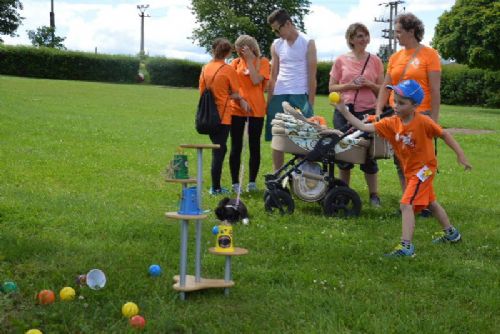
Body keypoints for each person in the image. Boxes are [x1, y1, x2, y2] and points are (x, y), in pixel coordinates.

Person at [335, 79, 472, 257]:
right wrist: (345, 112)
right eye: (395, 101)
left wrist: (460, 155)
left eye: (401, 102)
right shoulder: (392, 123)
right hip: (411, 170)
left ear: (414, 105)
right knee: (431, 202)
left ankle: (406, 247)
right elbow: (364, 127)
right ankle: (452, 234)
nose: (396, 106)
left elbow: (444, 134)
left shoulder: (423, 121)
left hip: (425, 169)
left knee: (406, 204)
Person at [375, 13, 442, 216]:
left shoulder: (429, 55)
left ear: (411, 31)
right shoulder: (395, 57)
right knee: (402, 159)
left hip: (422, 115)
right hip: (399, 116)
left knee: (422, 161)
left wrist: (434, 121)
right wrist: (378, 109)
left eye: (399, 31)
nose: (396, 35)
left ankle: (422, 202)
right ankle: (409, 203)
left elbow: (435, 90)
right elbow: (386, 87)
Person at [329, 23, 384, 207]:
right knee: (343, 153)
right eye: (359, 36)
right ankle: (344, 192)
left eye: (366, 36)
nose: (364, 39)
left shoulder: (375, 61)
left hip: (367, 112)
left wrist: (368, 83)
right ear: (351, 39)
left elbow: (382, 91)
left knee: (368, 154)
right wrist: (350, 85)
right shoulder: (340, 61)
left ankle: (374, 195)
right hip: (343, 111)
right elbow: (331, 88)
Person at [266, 8, 317, 171]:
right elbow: (273, 75)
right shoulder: (276, 44)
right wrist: (269, 101)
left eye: (277, 29)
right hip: (279, 94)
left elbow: (312, 75)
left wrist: (310, 103)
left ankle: (304, 176)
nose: (276, 34)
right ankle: (277, 174)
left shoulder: (307, 42)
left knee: (303, 136)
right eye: (273, 31)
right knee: (277, 136)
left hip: (300, 94)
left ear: (288, 23)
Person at [199, 38, 250, 195]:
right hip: (222, 116)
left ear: (213, 50)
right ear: (228, 53)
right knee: (219, 150)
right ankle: (216, 188)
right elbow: (235, 92)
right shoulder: (228, 70)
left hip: (206, 115)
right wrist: (241, 100)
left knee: (218, 148)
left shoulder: (205, 68)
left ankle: (216, 186)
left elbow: (202, 91)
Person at [229, 35, 270, 193]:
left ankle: (252, 182)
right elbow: (231, 87)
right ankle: (235, 183)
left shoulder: (264, 62)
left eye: (243, 49)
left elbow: (255, 81)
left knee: (254, 146)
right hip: (237, 109)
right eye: (238, 50)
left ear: (251, 47)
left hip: (257, 110)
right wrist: (240, 100)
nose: (240, 53)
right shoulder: (235, 63)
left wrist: (251, 60)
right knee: (236, 146)